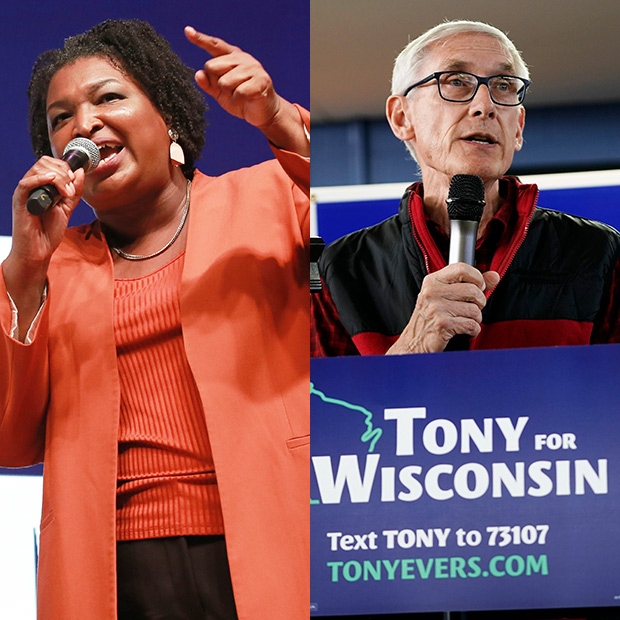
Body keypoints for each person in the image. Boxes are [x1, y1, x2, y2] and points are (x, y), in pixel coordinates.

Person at [0, 19, 309, 620]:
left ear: (167, 116)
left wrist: (276, 117)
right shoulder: (50, 265)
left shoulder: (267, 198)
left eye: (108, 98)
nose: (81, 125)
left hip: (270, 540)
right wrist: (23, 273)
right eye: (60, 117)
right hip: (114, 572)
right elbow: (9, 437)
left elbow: (376, 236)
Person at [311, 20, 620, 357]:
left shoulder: (599, 252)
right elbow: (326, 408)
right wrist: (412, 347)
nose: (485, 105)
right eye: (456, 82)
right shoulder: (338, 272)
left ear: (518, 127)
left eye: (504, 85)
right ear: (402, 118)